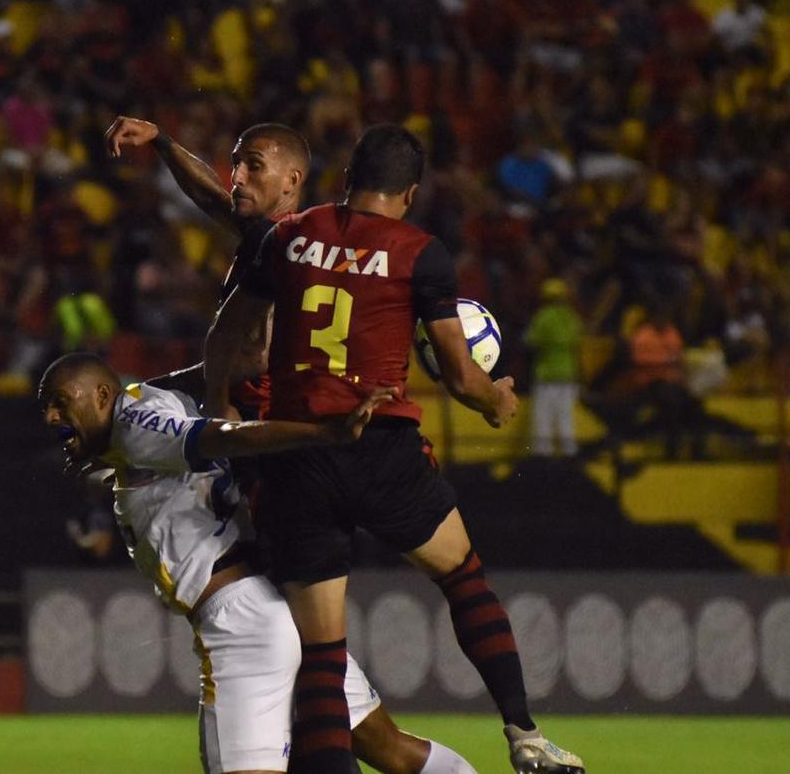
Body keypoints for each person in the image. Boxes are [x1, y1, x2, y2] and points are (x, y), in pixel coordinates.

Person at [110, 117, 584, 774]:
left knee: (322, 667)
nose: (236, 179)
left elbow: (228, 332)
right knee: (450, 586)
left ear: (311, 181)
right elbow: (457, 374)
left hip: (285, 460)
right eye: (237, 167)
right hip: (365, 446)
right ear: (410, 193)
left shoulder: (283, 241)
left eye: (251, 166)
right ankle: (522, 728)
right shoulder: (400, 248)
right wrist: (496, 397)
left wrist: (205, 408)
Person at [38, 352, 475, 774]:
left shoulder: (134, 424)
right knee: (392, 750)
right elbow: (205, 381)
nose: (51, 418)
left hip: (240, 627)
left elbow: (223, 435)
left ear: (100, 395)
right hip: (279, 609)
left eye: (61, 402)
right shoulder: (143, 409)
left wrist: (320, 433)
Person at [524, 279, 582, 457]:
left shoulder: (543, 317)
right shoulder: (571, 317)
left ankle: (542, 459)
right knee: (566, 420)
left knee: (543, 421)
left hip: (547, 376)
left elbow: (530, 341)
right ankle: (570, 456)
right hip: (568, 376)